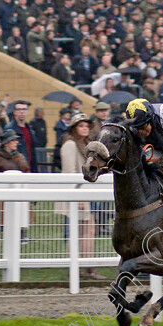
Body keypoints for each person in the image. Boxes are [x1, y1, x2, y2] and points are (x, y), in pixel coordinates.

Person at [57, 113, 104, 280]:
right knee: (76, 232)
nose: (84, 128)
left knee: (89, 230)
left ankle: (87, 267)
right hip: (77, 194)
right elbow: (70, 172)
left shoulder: (86, 145)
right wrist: (78, 197)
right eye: (81, 125)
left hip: (86, 192)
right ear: (74, 128)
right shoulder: (70, 145)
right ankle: (78, 267)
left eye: (86, 125)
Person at [4, 100, 40, 171]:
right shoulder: (10, 129)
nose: (22, 112)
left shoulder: (30, 129)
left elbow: (32, 151)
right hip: (16, 168)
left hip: (29, 167)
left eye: (24, 109)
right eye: (19, 109)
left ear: (27, 112)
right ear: (14, 112)